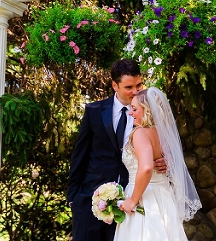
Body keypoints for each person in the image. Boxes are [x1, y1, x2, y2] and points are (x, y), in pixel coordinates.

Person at [68, 59, 147, 241]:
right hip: (90, 201)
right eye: (129, 87)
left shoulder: (148, 115)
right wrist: (74, 198)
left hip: (128, 203)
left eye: (139, 85)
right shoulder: (94, 111)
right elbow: (79, 155)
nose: (135, 92)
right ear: (114, 85)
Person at [115, 87, 202, 241]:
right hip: (163, 197)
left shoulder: (140, 133)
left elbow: (147, 167)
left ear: (147, 110)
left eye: (134, 109)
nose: (130, 113)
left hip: (144, 197)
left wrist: (133, 201)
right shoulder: (162, 134)